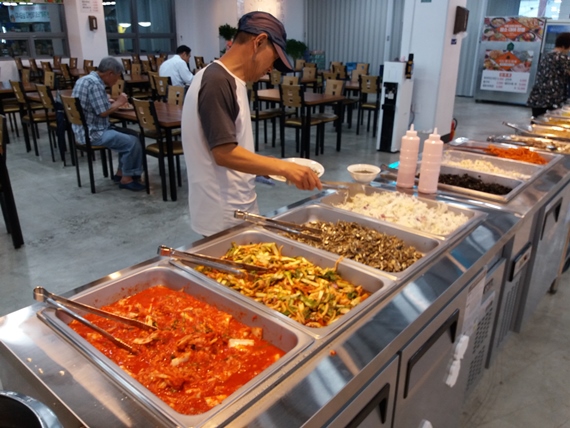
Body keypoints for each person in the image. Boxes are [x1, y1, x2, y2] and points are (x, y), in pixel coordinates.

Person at [181, 11, 322, 237]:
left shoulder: (230, 80)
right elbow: (224, 153)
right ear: (259, 42)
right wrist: (283, 167)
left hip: (236, 209)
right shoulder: (217, 81)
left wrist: (261, 167)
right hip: (223, 216)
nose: (271, 68)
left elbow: (231, 143)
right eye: (273, 59)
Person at [71, 57, 145, 191]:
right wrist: (119, 102)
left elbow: (93, 104)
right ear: (110, 73)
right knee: (132, 142)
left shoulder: (84, 79)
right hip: (93, 133)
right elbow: (103, 113)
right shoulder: (95, 84)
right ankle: (127, 179)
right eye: (117, 76)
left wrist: (108, 101)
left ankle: (121, 173)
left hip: (82, 129)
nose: (117, 80)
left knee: (133, 134)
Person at [527, 32, 570, 117]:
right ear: (564, 46)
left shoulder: (546, 56)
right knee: (550, 122)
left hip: (537, 96)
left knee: (537, 121)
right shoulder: (563, 58)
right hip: (552, 98)